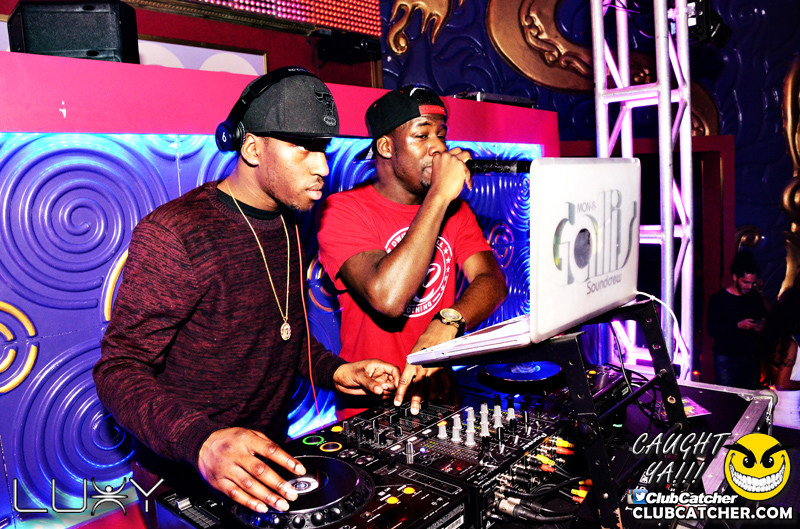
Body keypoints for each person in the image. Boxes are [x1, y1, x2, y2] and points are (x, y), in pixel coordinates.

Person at [93, 67, 400, 521]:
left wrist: (334, 371)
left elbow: (280, 333)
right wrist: (201, 441)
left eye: (323, 148)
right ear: (252, 148)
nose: (322, 166)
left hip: (268, 462)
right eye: (304, 147)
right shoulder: (176, 234)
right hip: (185, 470)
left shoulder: (290, 221)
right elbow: (118, 369)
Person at [316, 86, 508, 414]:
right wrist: (439, 195)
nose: (439, 148)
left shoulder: (455, 211)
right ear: (386, 146)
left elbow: (492, 281)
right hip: (373, 407)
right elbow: (388, 298)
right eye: (422, 135)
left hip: (441, 400)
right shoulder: (343, 210)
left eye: (441, 135)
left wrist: (450, 321)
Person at [706, 251, 768, 389]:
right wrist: (738, 325)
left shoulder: (754, 297)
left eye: (752, 283)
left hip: (750, 357)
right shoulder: (719, 299)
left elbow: (763, 321)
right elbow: (712, 329)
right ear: (735, 277)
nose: (749, 286)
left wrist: (760, 327)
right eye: (746, 282)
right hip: (726, 357)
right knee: (727, 396)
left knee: (750, 395)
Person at [763, 287, 800, 390]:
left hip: (780, 396)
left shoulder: (777, 336)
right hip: (790, 398)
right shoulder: (790, 344)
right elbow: (782, 384)